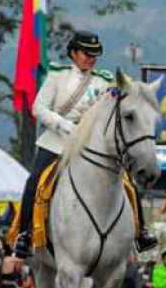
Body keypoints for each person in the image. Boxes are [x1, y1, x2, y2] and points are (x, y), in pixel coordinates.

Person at [13, 30, 157, 258]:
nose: (91, 58)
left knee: (127, 181)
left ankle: (141, 231)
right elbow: (38, 108)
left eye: (94, 54)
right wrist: (63, 125)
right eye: (86, 53)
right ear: (73, 53)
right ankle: (25, 234)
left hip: (90, 144)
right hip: (57, 141)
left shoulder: (104, 80)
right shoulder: (56, 76)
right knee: (36, 180)